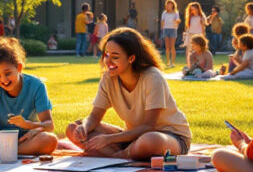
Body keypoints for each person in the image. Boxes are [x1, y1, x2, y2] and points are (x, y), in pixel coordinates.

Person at [67, 28, 191, 160]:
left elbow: (149, 126)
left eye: (115, 57)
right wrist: (84, 127)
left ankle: (117, 155)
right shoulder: (108, 78)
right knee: (73, 129)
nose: (108, 61)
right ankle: (123, 155)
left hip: (169, 137)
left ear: (131, 58)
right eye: (106, 55)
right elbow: (94, 117)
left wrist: (108, 140)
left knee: (149, 140)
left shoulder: (153, 77)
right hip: (132, 137)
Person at [160, 0, 181, 68]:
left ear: (173, 5)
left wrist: (176, 21)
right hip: (166, 29)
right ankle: (168, 62)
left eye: (170, 5)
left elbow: (178, 20)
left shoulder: (176, 13)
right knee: (167, 47)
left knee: (172, 46)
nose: (169, 6)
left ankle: (172, 62)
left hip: (173, 29)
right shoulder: (164, 13)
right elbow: (162, 21)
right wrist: (162, 28)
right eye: (167, 5)